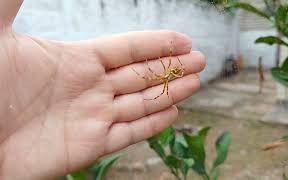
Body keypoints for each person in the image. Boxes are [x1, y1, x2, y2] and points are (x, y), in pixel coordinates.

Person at [0, 0, 206, 179]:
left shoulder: (167, 75)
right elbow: (161, 76)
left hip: (168, 75)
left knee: (161, 84)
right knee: (157, 82)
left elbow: (164, 79)